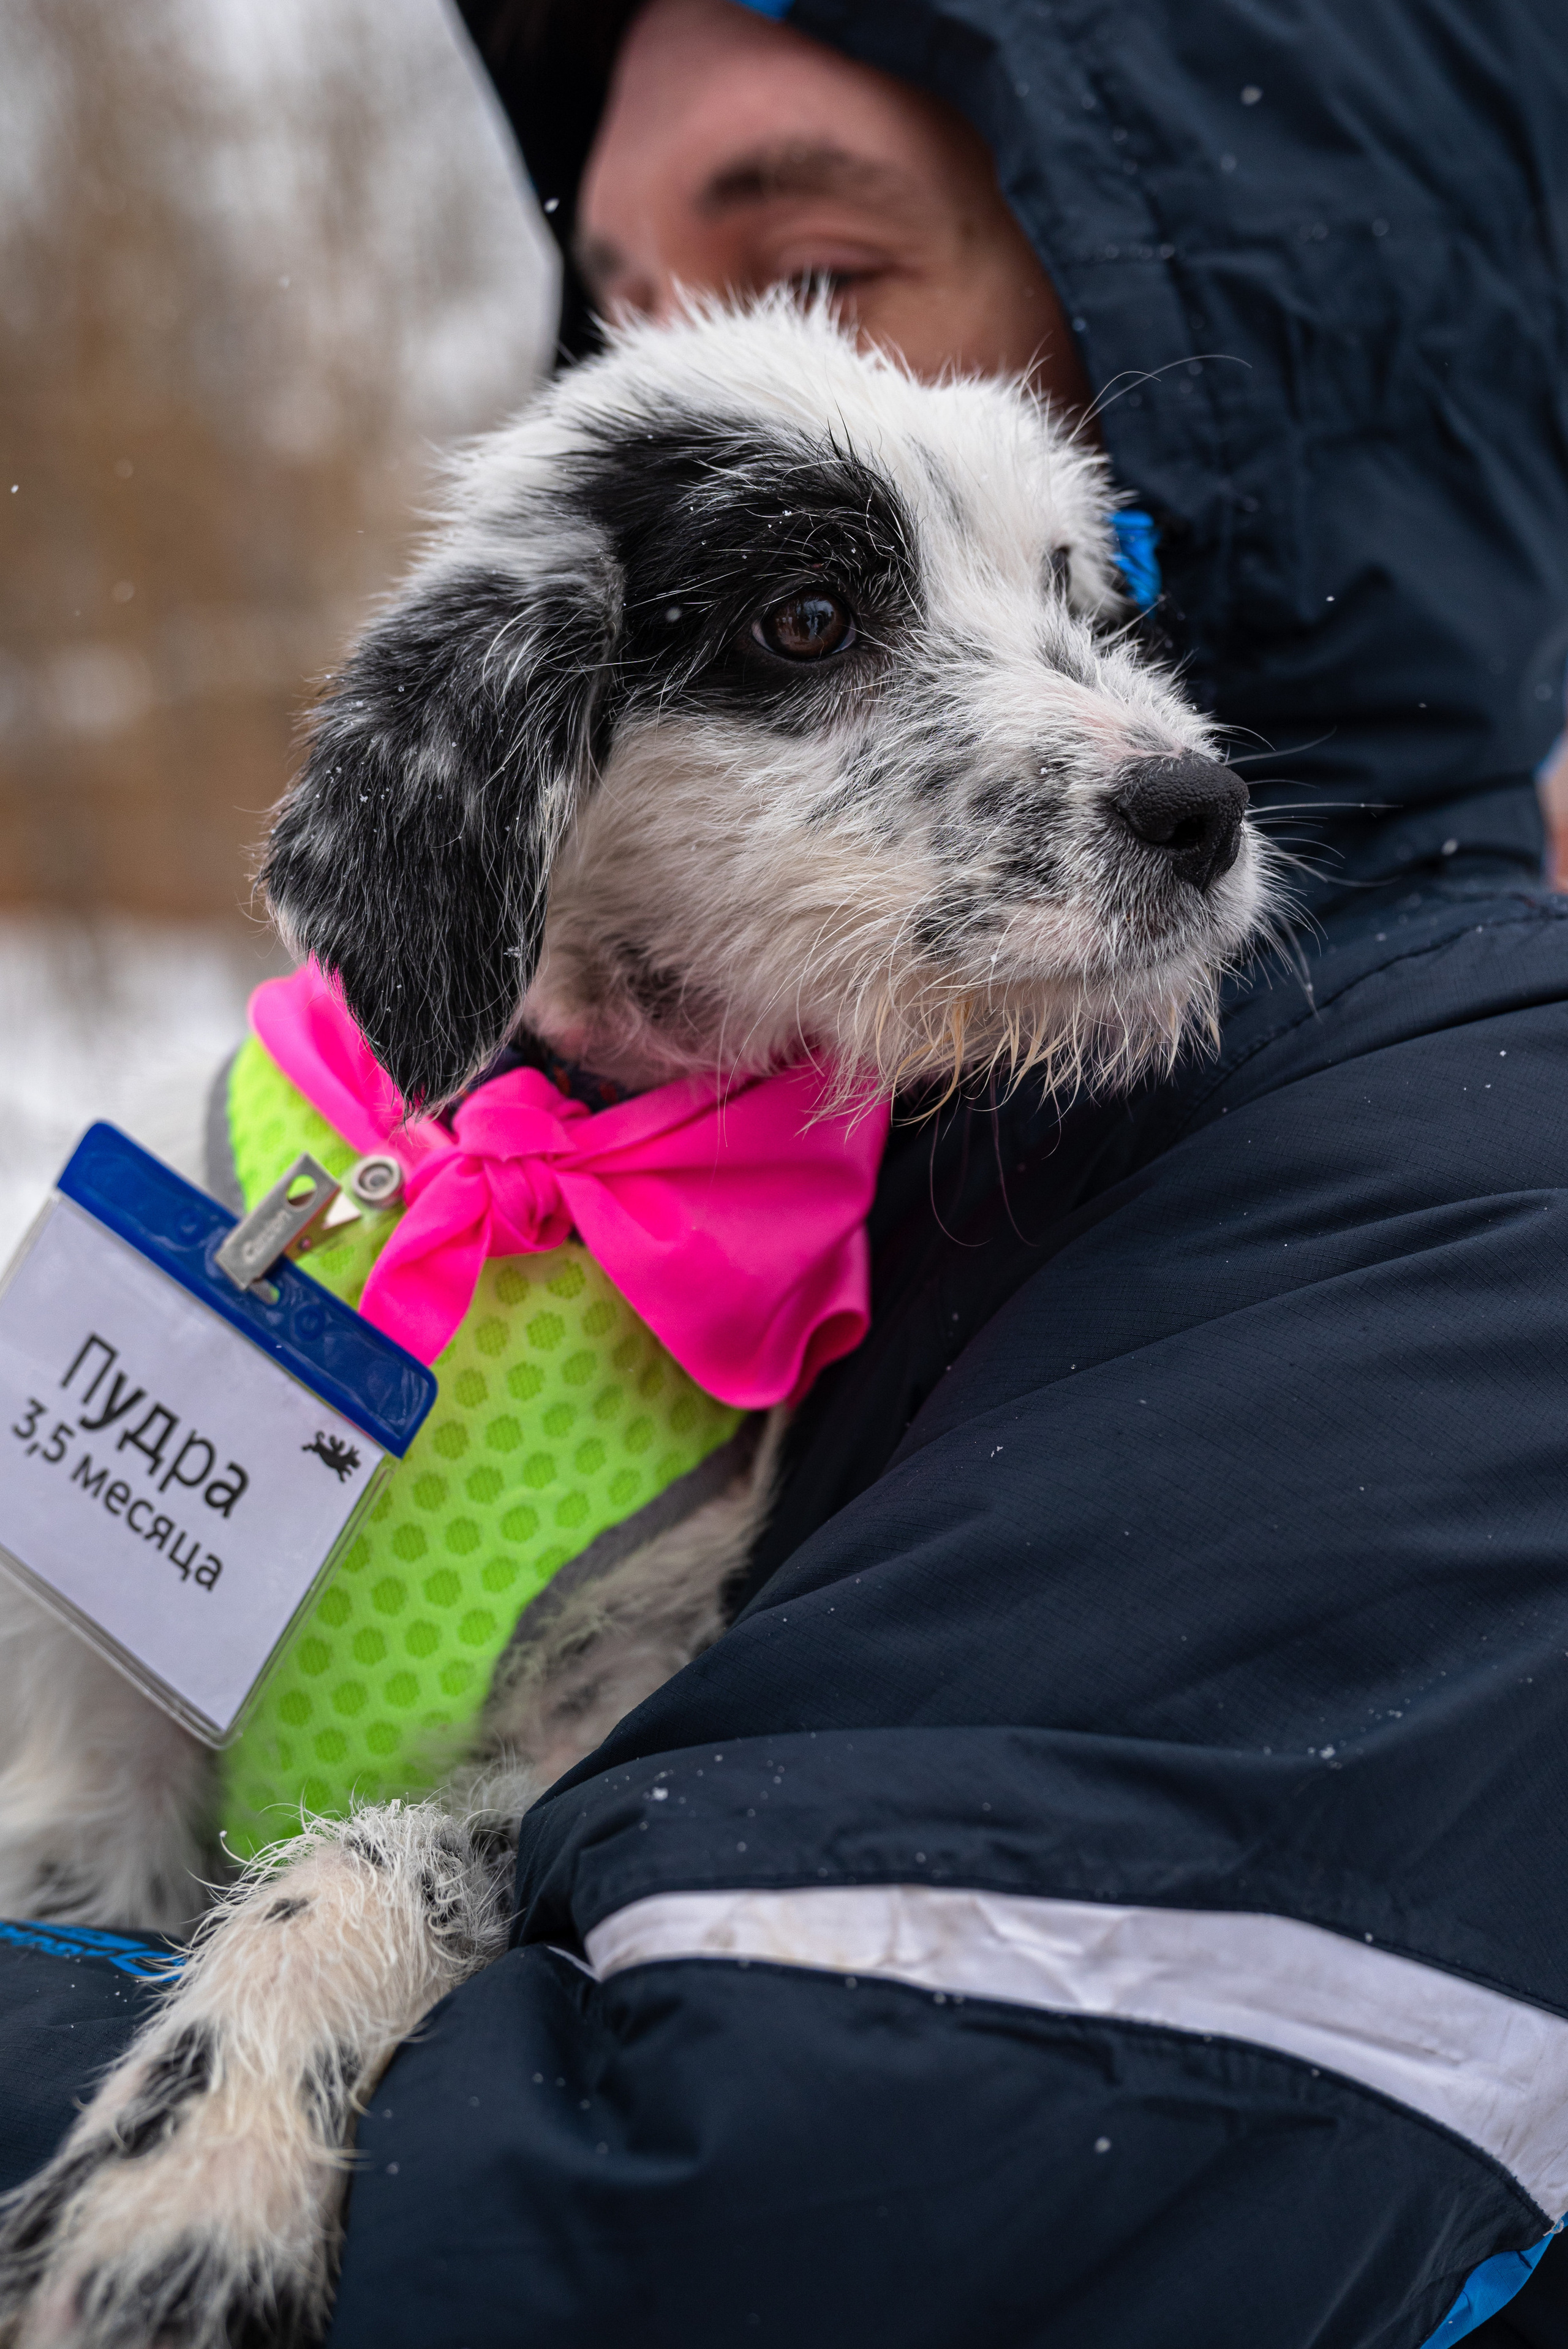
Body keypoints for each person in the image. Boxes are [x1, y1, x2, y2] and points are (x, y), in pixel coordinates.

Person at [2, 2, 1566, 2343]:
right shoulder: (334, 1143)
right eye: (625, 296)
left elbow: (737, 2198)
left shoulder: (1437, 1212)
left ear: (1215, 283)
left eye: (818, 273)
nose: (698, 350)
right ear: (515, 737)